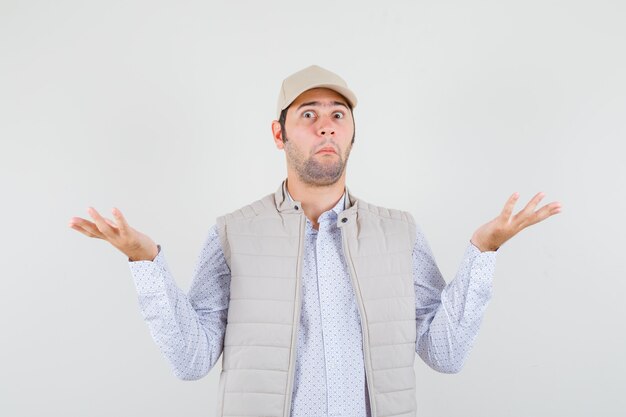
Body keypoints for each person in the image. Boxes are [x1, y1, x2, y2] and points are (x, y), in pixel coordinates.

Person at [68, 64, 562, 417]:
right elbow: (191, 359)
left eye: (338, 115)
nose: (325, 123)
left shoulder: (400, 232)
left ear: (352, 135)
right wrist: (144, 261)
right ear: (278, 133)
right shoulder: (233, 233)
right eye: (307, 113)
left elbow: (446, 352)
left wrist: (483, 251)